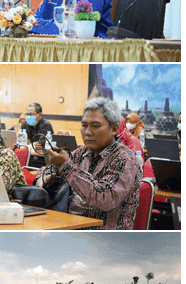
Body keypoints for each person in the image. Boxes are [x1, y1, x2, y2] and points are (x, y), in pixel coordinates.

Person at [36, 97, 141, 230]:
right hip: (71, 227)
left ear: (114, 129)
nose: (88, 132)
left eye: (95, 126)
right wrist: (42, 178)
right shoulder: (82, 152)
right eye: (84, 125)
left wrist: (66, 167)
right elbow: (48, 170)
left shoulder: (125, 159)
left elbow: (104, 198)